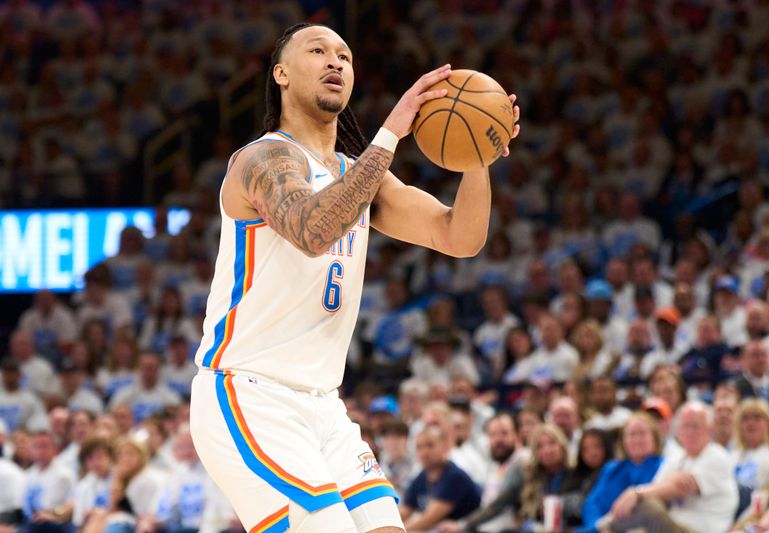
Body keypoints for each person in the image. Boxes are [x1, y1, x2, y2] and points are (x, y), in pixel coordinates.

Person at [188, 22, 520, 533]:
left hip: (324, 405)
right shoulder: (263, 158)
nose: (335, 62)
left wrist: (477, 156)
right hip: (249, 393)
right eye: (317, 51)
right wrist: (391, 132)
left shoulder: (360, 174)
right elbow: (315, 228)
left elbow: (459, 237)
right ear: (281, 74)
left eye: (344, 55)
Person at [604, 401, 738, 533]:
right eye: (686, 426)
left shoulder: (717, 456)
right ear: (679, 431)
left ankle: (605, 526)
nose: (690, 432)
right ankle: (605, 526)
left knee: (649, 507)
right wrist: (669, 483)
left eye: (696, 426)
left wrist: (636, 493)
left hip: (699, 529)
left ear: (710, 429)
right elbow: (657, 488)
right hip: (673, 524)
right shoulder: (677, 457)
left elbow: (679, 489)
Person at [580, 413, 663, 533]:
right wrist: (598, 525)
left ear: (654, 438)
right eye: (631, 434)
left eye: (642, 433)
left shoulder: (664, 465)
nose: (636, 439)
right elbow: (592, 504)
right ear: (623, 441)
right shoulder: (612, 468)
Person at [400, 426, 481, 532]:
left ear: (445, 446)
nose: (424, 453)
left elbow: (428, 519)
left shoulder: (455, 477)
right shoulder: (422, 477)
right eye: (419, 447)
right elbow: (404, 510)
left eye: (430, 445)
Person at [731, 339, 769, 413]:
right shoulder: (733, 388)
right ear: (743, 358)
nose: (760, 360)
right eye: (755, 355)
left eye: (763, 355)